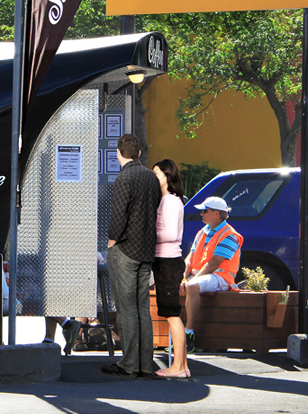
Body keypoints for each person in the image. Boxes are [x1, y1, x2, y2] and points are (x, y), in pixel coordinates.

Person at [101, 134, 162, 378]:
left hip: (125, 249)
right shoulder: (150, 177)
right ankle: (145, 364)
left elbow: (119, 215)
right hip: (146, 250)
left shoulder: (123, 177)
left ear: (118, 153)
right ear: (138, 153)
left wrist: (111, 242)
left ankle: (128, 364)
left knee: (126, 309)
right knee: (142, 308)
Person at [181, 196, 243, 352]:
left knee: (193, 286)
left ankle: (188, 334)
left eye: (205, 211)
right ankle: (172, 336)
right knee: (171, 285)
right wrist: (182, 278)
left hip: (221, 277)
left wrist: (191, 280)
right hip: (203, 275)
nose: (201, 214)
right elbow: (190, 258)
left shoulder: (230, 235)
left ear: (217, 214)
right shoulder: (202, 232)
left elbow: (213, 264)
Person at [150, 159, 189, 379]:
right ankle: (181, 366)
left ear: (167, 175)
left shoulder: (171, 201)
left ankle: (178, 367)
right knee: (171, 314)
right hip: (166, 261)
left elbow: (171, 234)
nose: (153, 177)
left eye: (156, 173)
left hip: (168, 262)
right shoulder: (166, 200)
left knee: (172, 315)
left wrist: (149, 234)